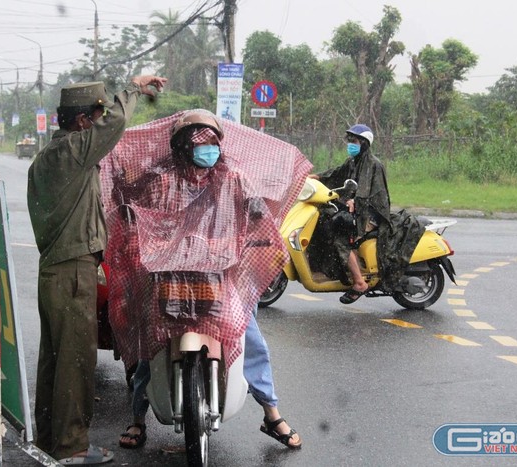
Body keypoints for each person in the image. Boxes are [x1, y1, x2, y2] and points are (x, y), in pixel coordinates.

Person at [110, 110, 302, 450]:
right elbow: (138, 214)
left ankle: (271, 414)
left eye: (212, 142)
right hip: (169, 273)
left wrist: (261, 235)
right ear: (182, 146)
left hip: (219, 275)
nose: (207, 149)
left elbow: (257, 214)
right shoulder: (162, 181)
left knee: (250, 339)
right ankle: (138, 417)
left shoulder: (234, 179)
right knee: (148, 343)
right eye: (199, 143)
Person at [27, 75, 167, 465]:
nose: (101, 123)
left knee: (55, 360)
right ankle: (71, 447)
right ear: (84, 121)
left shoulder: (46, 158)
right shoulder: (73, 151)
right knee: (75, 361)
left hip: (55, 268)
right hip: (73, 271)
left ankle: (49, 439)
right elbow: (117, 123)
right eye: (97, 116)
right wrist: (134, 88)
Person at [308, 124, 391, 303]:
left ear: (364, 143)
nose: (350, 144)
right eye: (350, 141)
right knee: (325, 222)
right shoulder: (353, 161)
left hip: (370, 214)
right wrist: (317, 177)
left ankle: (360, 282)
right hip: (357, 209)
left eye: (354, 141)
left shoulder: (372, 164)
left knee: (341, 239)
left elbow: (366, 192)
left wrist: (356, 202)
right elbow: (337, 174)